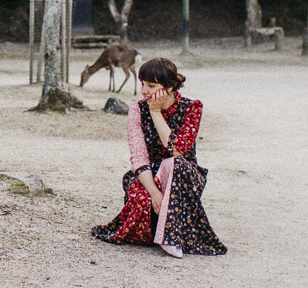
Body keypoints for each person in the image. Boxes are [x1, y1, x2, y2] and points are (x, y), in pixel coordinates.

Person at [91, 57, 226, 257]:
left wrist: (156, 113)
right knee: (143, 207)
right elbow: (139, 158)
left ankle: (170, 238)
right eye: (142, 84)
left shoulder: (192, 107)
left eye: (151, 85)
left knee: (174, 164)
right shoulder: (137, 109)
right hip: (149, 176)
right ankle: (166, 231)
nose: (144, 90)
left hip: (184, 175)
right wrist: (155, 193)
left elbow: (178, 150)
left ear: (170, 87)